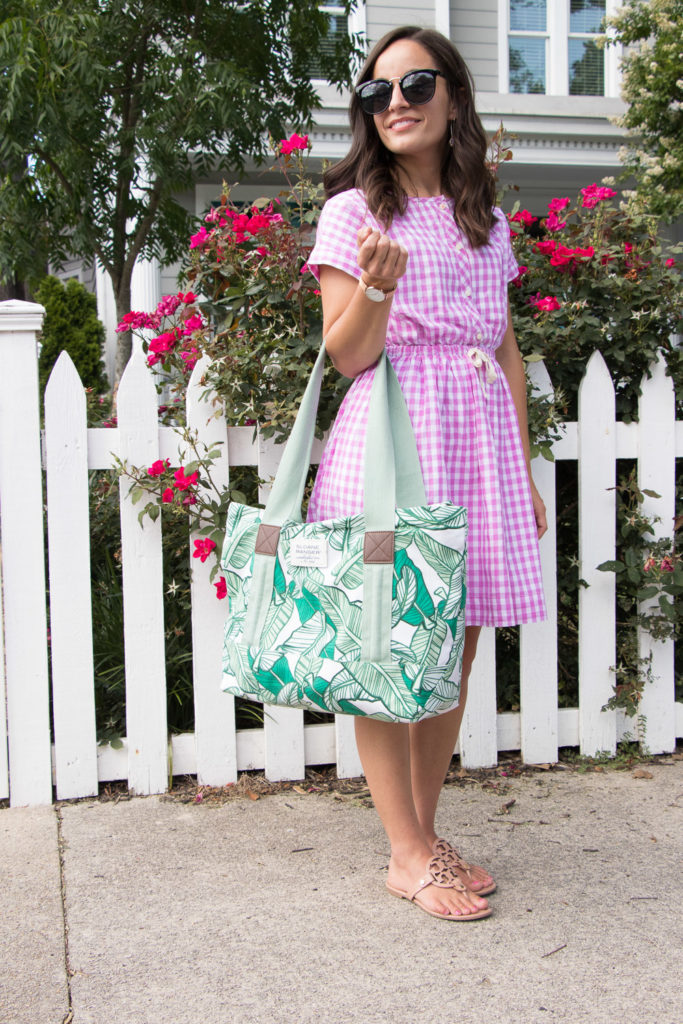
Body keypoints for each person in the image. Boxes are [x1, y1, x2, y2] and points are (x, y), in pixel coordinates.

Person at [306, 25, 547, 921]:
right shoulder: (352, 213)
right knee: (388, 648)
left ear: (452, 96)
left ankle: (425, 831)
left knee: (452, 653)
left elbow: (507, 351)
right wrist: (374, 287)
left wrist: (519, 472)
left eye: (414, 85)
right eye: (376, 93)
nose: (395, 104)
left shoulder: (482, 213)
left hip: (477, 443)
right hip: (396, 438)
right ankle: (403, 853)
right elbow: (346, 357)